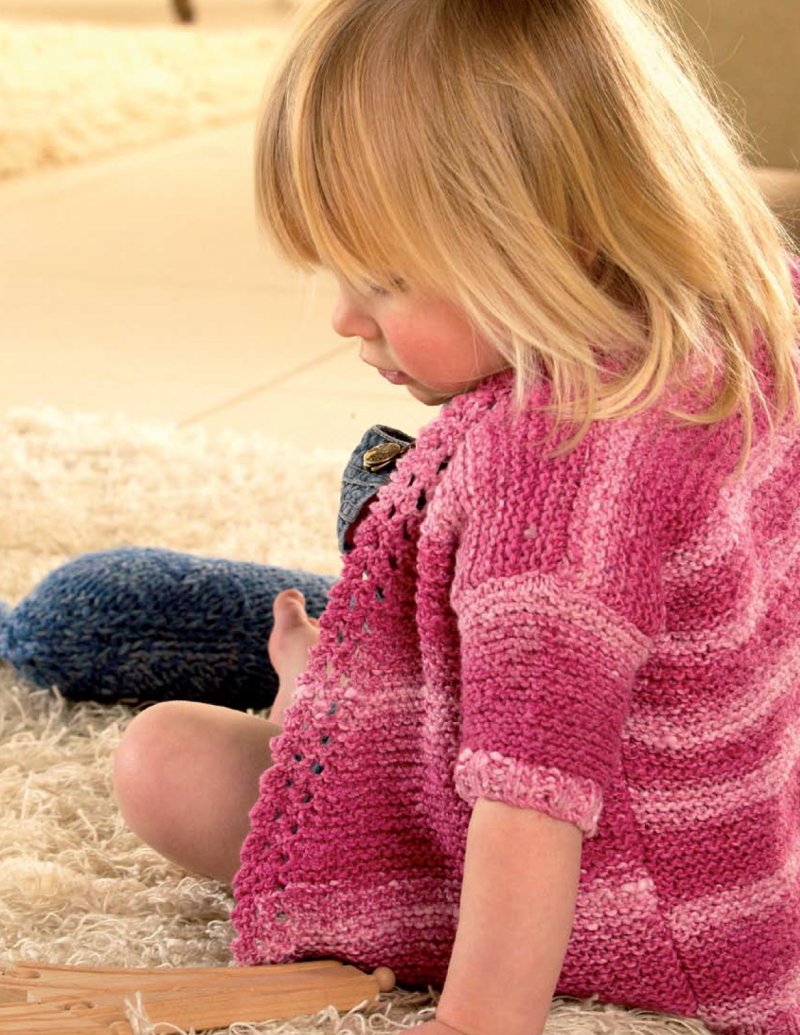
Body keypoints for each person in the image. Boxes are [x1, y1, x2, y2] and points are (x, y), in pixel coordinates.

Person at [42, 0, 800, 1031]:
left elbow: (530, 796)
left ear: (557, 237)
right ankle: (317, 687)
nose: (344, 317)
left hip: (641, 912)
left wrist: (473, 1019)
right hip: (736, 830)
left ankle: (294, 699)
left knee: (159, 753)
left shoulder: (555, 477)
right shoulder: (747, 305)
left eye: (385, 280)